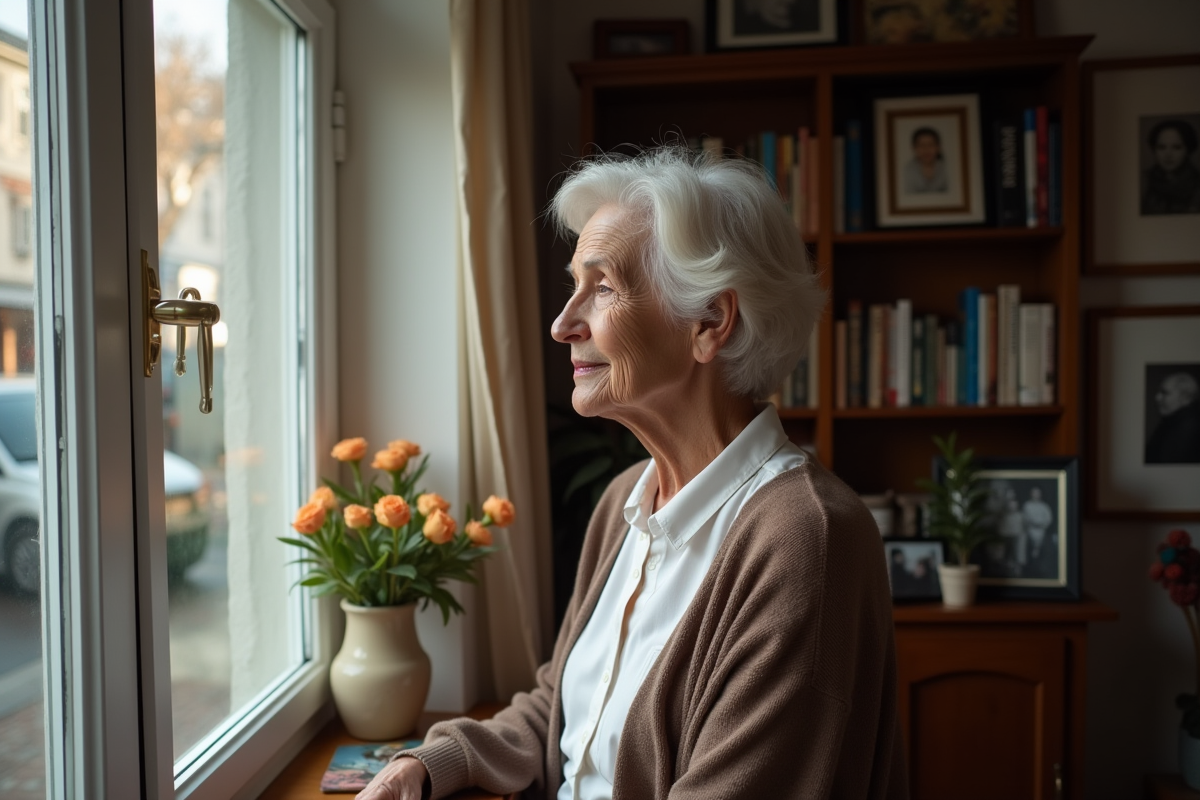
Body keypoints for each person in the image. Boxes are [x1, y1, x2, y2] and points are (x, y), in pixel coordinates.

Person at [357, 147, 907, 800]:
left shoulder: (805, 540)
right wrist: (430, 764)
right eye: (573, 286)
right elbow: (564, 710)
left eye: (605, 287)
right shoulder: (626, 501)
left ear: (709, 322)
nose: (563, 324)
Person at [1141, 120, 1200, 215]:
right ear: (1154, 150)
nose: (1168, 155)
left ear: (1188, 150)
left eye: (1177, 147)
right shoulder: (1143, 181)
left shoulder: (1197, 185)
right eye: (1161, 147)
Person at [1145, 371, 1200, 464]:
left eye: (1165, 393)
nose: (1157, 397)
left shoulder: (1188, 427)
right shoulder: (1174, 422)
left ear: (1185, 398)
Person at [902, 127, 948, 194]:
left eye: (931, 144)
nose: (926, 149)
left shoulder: (946, 168)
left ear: (938, 147)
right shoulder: (907, 170)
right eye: (921, 145)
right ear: (914, 148)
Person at [1021, 487, 1053, 576]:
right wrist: (1032, 524)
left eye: (1037, 493)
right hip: (1030, 531)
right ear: (1031, 494)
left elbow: (1048, 519)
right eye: (1034, 493)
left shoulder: (1044, 506)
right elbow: (1024, 518)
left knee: (1042, 550)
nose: (1036, 495)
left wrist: (1042, 524)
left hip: (1041, 531)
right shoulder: (1027, 505)